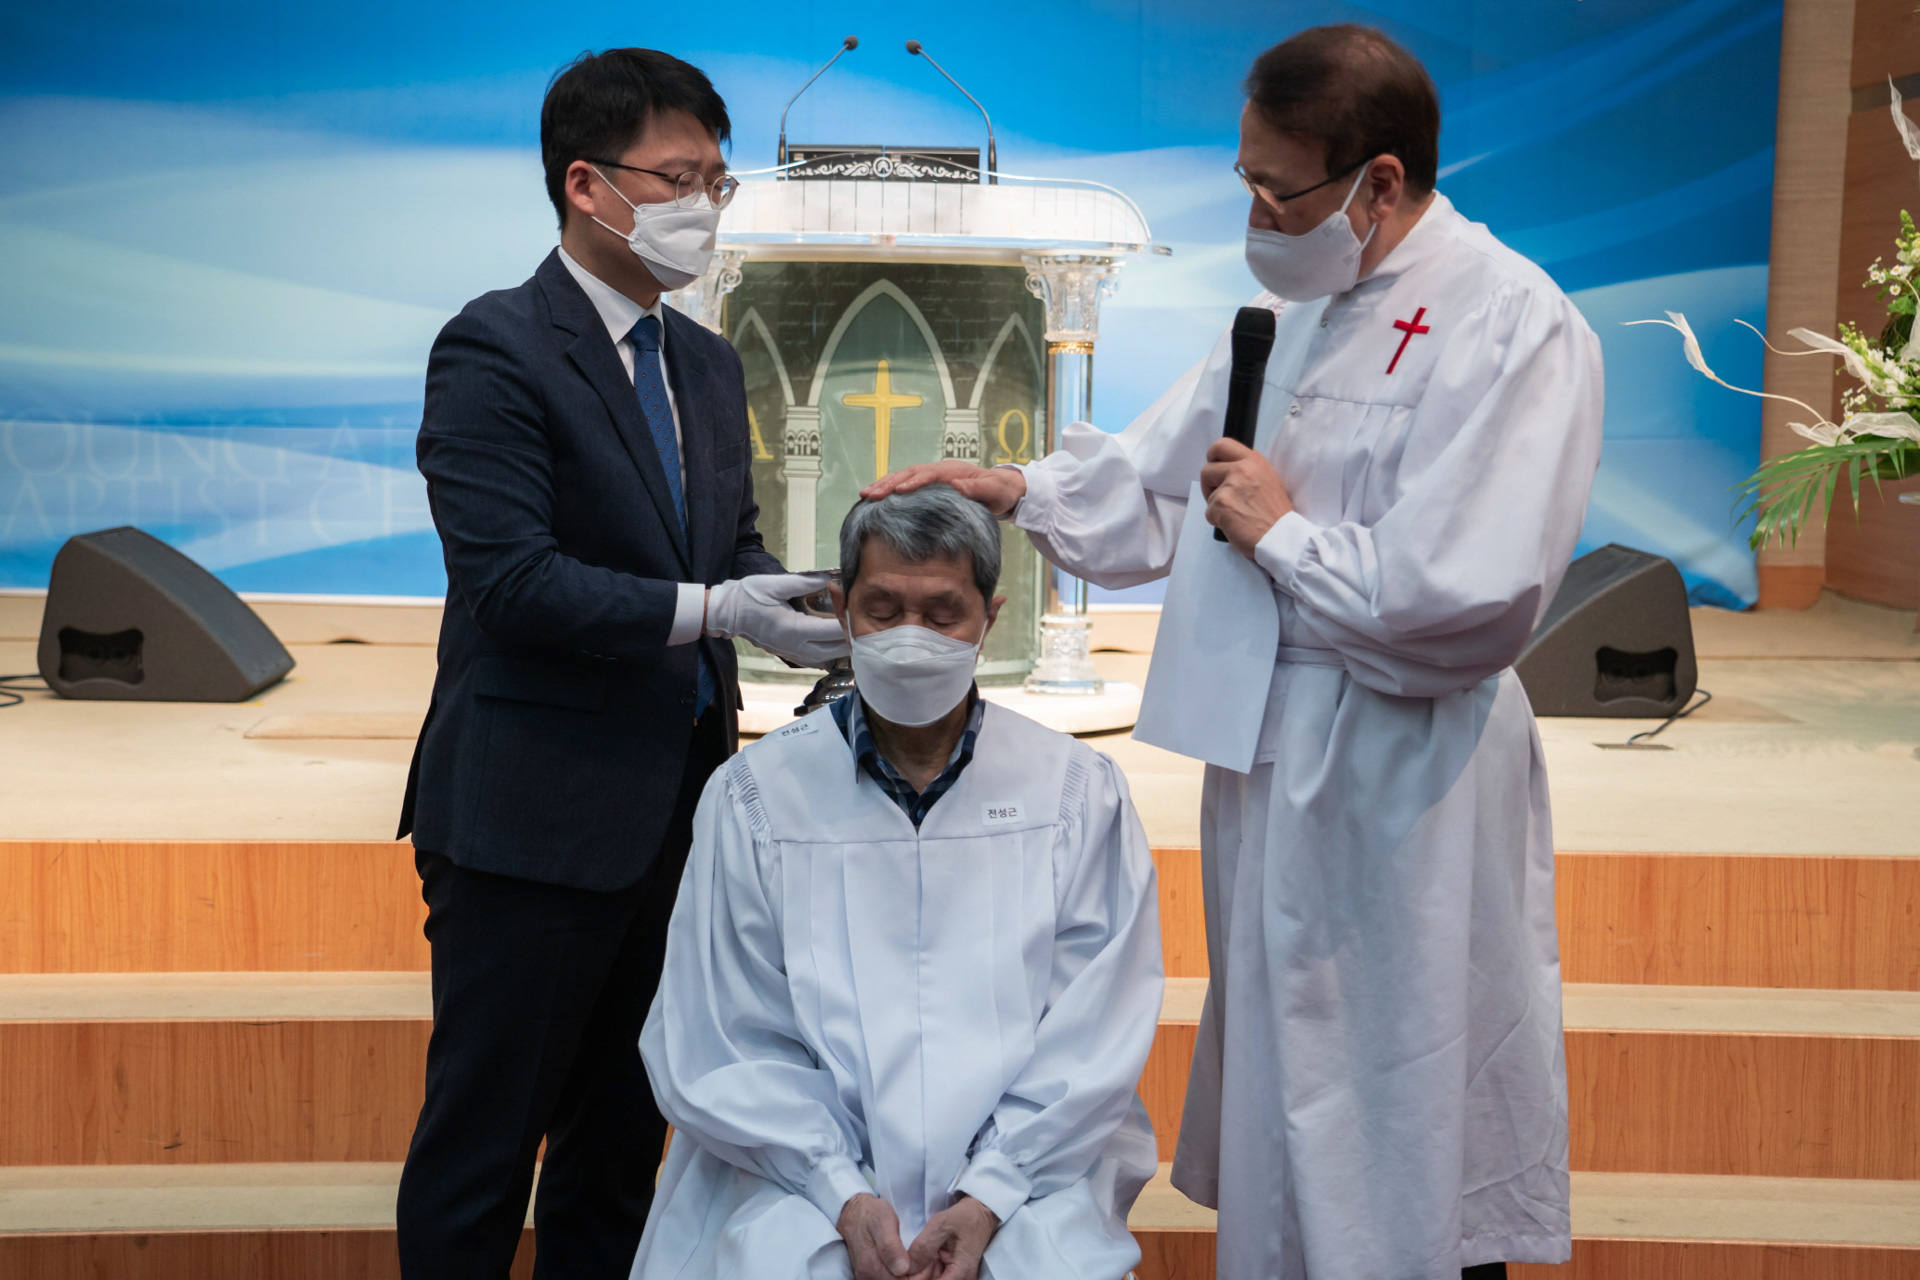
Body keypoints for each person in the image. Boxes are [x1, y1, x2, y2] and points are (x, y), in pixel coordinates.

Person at [866, 24, 1603, 1280]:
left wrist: (1287, 536)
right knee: (1286, 1067)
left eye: (1280, 189)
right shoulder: (1289, 307)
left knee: (1396, 1076)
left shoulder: (1513, 323)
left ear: (1379, 182)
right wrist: (1019, 489)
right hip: (1268, 747)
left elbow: (1477, 595)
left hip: (1400, 760)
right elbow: (1166, 486)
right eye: (1246, 180)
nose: (1257, 214)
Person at [394, 49, 846, 1279]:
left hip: (679, 811)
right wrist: (716, 609)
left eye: (717, 181)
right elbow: (513, 582)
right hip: (532, 817)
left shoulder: (706, 359)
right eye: (678, 179)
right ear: (586, 184)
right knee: (483, 1151)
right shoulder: (494, 346)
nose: (705, 206)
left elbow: (724, 549)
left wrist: (793, 604)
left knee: (619, 1153)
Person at [629, 484, 1165, 1280]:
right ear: (842, 610)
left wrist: (989, 1193)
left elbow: (1095, 1029)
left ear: (991, 616)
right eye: (883, 610)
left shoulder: (1074, 794)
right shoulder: (758, 795)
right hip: (798, 1183)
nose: (912, 638)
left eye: (943, 613)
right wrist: (839, 1189)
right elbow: (724, 1031)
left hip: (1023, 1183)